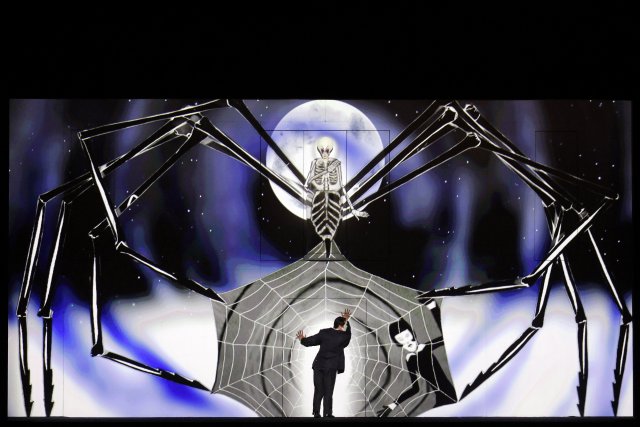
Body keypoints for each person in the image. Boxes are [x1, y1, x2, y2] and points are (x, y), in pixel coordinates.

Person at [376, 318, 455, 417]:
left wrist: (434, 310)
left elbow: (446, 337)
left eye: (407, 336)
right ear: (397, 343)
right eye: (401, 339)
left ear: (412, 333)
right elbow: (415, 388)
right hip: (440, 398)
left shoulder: (425, 347)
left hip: (450, 394)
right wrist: (393, 405)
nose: (406, 341)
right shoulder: (410, 359)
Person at [296, 308, 352, 417]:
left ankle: (316, 412)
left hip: (318, 366)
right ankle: (327, 413)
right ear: (341, 326)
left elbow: (311, 341)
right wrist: (346, 319)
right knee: (328, 391)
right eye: (344, 325)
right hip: (331, 368)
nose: (345, 327)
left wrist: (302, 339)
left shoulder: (324, 333)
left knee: (318, 390)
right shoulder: (343, 337)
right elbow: (348, 335)